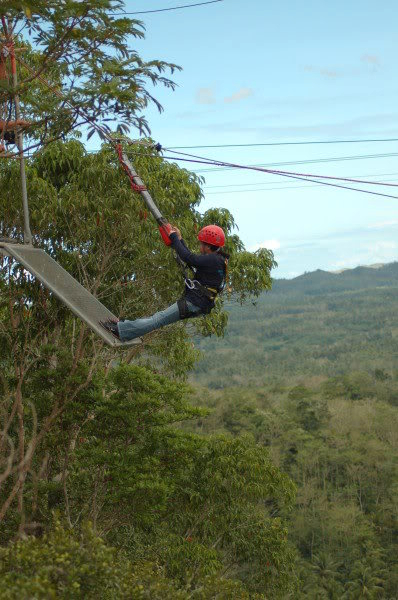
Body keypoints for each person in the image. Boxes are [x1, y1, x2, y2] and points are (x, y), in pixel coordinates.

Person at [100, 224, 229, 342]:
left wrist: (174, 237)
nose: (200, 247)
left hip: (195, 302)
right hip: (197, 302)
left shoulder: (213, 259)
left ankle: (121, 332)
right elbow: (190, 258)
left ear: (208, 246)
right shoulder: (217, 259)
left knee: (157, 320)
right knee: (158, 318)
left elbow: (188, 258)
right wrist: (179, 239)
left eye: (202, 244)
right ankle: (122, 326)